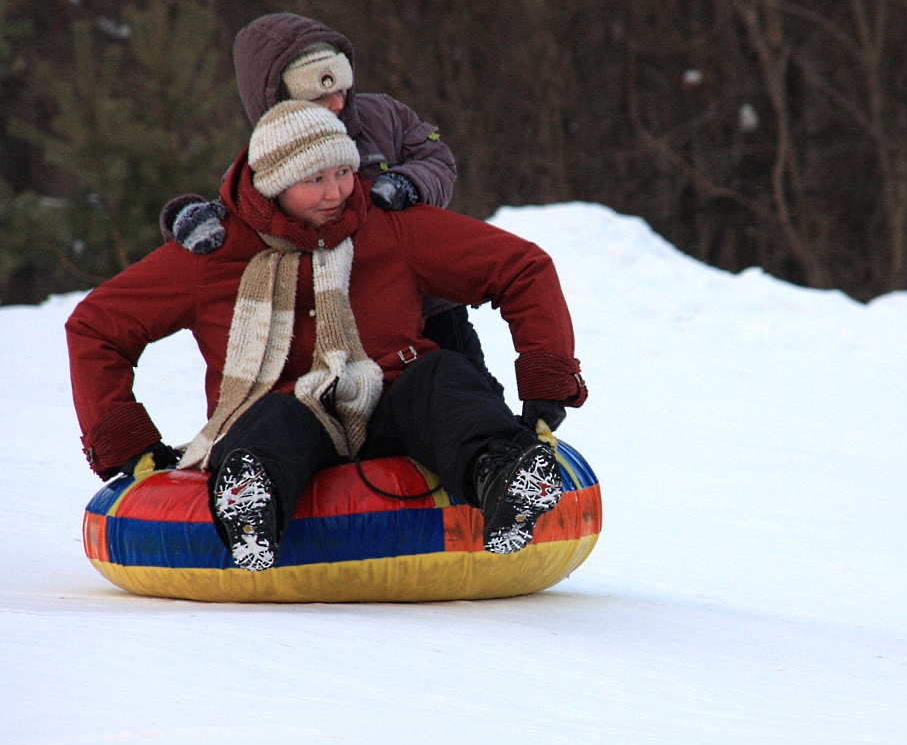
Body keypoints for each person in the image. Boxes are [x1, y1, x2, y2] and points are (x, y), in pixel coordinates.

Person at [67, 100, 587, 572]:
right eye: (315, 179)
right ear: (273, 183)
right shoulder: (216, 252)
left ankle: (505, 477)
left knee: (444, 375)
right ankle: (251, 504)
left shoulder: (388, 227)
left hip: (393, 399)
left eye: (344, 171)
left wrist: (545, 382)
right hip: (283, 411)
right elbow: (97, 327)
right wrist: (127, 443)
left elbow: (522, 268)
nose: (338, 192)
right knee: (271, 416)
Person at [159, 12, 499, 390]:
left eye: (342, 87)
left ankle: (505, 444)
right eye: (320, 96)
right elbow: (240, 213)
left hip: (431, 301)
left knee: (473, 390)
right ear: (278, 98)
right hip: (352, 316)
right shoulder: (265, 159)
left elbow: (437, 160)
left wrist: (408, 183)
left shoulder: (384, 117)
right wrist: (187, 217)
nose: (337, 103)